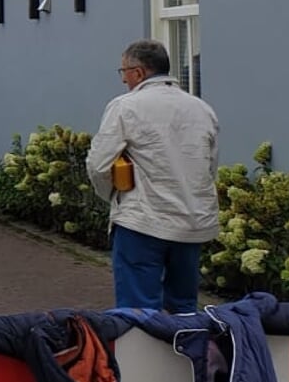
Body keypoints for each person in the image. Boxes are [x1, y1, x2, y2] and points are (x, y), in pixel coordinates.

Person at [87, 39, 221, 313]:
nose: (123, 79)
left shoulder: (125, 106)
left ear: (138, 72)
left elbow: (98, 164)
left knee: (138, 311)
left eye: (123, 72)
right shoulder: (201, 108)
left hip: (142, 222)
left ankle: (140, 357)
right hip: (192, 223)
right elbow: (209, 167)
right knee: (184, 307)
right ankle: (186, 354)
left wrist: (114, 197)